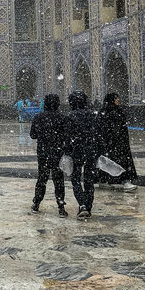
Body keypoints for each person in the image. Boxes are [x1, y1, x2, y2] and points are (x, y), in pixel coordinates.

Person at [30, 94, 69, 217]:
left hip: (43, 153)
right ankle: (61, 207)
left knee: (42, 179)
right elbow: (66, 135)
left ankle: (36, 203)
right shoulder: (62, 118)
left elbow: (33, 135)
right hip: (57, 153)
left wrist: (44, 135)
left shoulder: (38, 117)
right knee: (59, 180)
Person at [66, 90, 103, 219]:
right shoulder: (93, 115)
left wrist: (67, 151)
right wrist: (99, 151)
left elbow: (68, 136)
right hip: (91, 150)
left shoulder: (70, 116)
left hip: (77, 151)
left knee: (75, 178)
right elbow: (99, 134)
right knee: (89, 180)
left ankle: (82, 205)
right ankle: (88, 206)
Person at [97, 93, 138, 191]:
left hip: (120, 142)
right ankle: (113, 181)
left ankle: (116, 180)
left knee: (120, 161)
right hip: (110, 143)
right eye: (116, 98)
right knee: (113, 161)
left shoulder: (118, 111)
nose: (118, 100)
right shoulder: (105, 112)